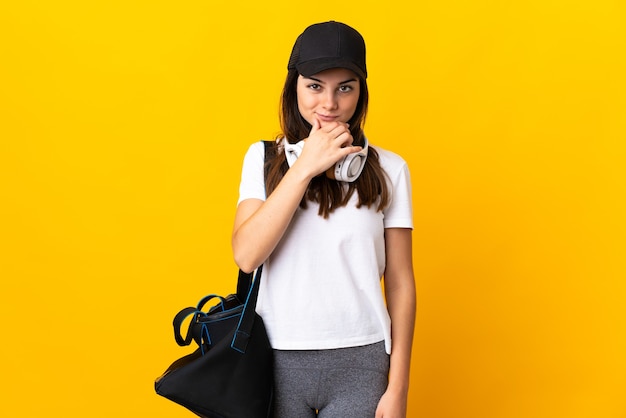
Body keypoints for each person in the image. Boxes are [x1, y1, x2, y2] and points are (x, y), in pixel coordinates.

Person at [232, 21, 416, 418]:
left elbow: (401, 283)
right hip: (274, 359)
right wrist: (303, 168)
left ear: (360, 92)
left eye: (344, 88)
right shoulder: (262, 159)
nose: (329, 104)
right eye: (315, 86)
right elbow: (246, 256)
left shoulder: (392, 169)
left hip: (361, 362)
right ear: (294, 87)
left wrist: (399, 386)